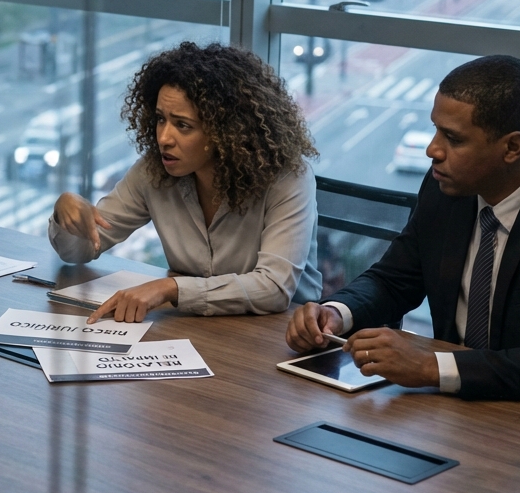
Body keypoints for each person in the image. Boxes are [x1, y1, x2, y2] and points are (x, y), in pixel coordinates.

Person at [286, 55, 520, 401]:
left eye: (453, 139)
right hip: (456, 407)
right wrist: (336, 313)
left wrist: (431, 367)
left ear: (512, 147)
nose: (432, 150)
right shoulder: (448, 187)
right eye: (435, 130)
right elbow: (394, 280)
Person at [49, 42, 322, 323]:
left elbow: (274, 289)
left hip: (283, 335)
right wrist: (65, 213)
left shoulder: (288, 179)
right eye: (160, 120)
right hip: (198, 327)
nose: (164, 138)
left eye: (183, 125)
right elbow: (80, 251)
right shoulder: (153, 172)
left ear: (225, 132)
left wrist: (170, 288)